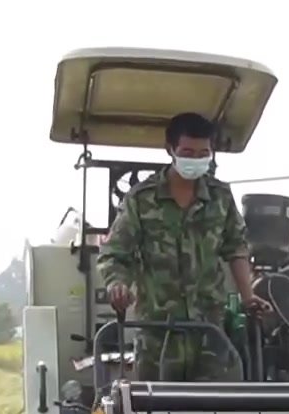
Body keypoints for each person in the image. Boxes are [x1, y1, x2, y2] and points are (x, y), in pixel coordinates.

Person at [97, 112, 271, 381]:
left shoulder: (220, 197)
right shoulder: (141, 200)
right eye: (188, 152)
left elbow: (236, 248)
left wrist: (248, 297)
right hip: (158, 335)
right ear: (170, 150)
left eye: (204, 153)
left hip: (209, 333)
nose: (196, 160)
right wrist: (117, 285)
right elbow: (115, 253)